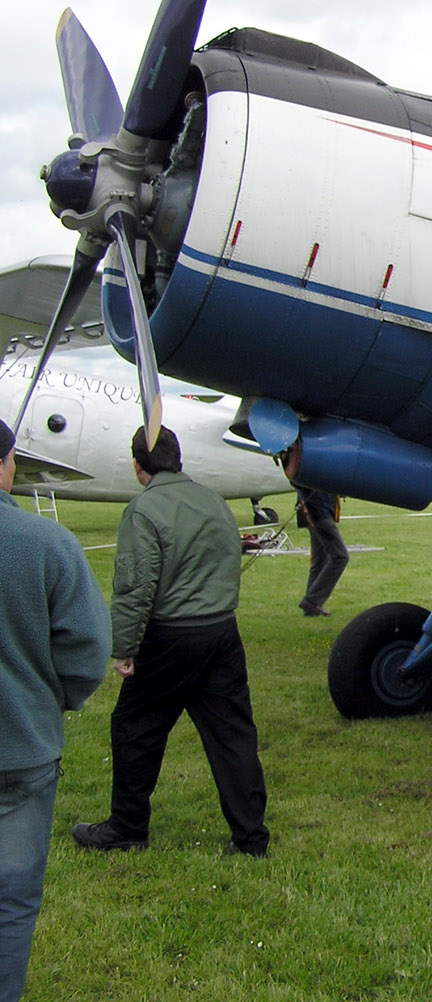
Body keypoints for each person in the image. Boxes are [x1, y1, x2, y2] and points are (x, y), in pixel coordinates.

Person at [72, 426, 271, 856]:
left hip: (171, 637)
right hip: (221, 631)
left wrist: (124, 649)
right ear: (178, 459)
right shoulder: (212, 499)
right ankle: (251, 838)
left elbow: (135, 587)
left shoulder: (144, 510)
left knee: (135, 728)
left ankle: (126, 828)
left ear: (137, 466)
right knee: (232, 736)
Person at [0, 418, 110, 1002]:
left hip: (25, 747)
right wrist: (54, 700)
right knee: (11, 903)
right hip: (23, 749)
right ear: (7, 463)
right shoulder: (48, 546)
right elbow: (88, 648)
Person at [296, 486, 347, 617]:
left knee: (320, 560)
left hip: (319, 512)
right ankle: (312, 601)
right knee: (340, 556)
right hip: (317, 514)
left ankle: (311, 609)